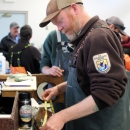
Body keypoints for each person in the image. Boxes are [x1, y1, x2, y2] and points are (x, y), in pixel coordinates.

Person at [39, 0, 129, 130]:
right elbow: (86, 78)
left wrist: (62, 117)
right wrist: (59, 89)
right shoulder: (84, 37)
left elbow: (106, 91)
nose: (59, 28)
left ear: (75, 9)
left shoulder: (98, 37)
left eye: (60, 21)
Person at [40, 30, 74, 130]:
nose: (60, 26)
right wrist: (48, 70)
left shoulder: (84, 35)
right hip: (58, 94)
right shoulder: (54, 36)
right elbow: (43, 64)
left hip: (78, 91)